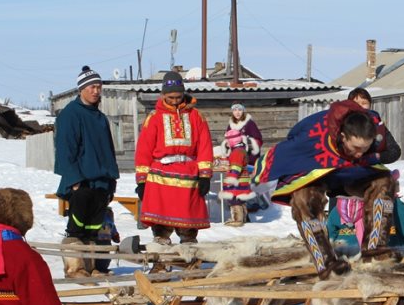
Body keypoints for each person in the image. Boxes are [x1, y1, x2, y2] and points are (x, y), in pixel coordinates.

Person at [252, 99, 401, 278]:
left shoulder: (375, 127)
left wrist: (368, 158)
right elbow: (276, 157)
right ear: (343, 136)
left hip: (353, 173)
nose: (360, 153)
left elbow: (393, 152)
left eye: (365, 148)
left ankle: (375, 250)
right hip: (317, 173)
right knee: (303, 199)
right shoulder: (310, 137)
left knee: (384, 182)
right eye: (356, 148)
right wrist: (255, 181)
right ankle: (326, 262)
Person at [54, 66, 120, 278]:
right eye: (92, 87)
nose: (96, 91)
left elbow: (108, 150)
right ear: (82, 89)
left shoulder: (100, 118)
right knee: (77, 227)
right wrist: (75, 181)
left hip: (101, 182)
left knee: (95, 227)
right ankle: (75, 268)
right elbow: (65, 149)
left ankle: (94, 268)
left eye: (99, 87)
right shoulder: (70, 115)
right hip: (81, 182)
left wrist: (111, 180)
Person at [135, 71, 213, 245]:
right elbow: (144, 150)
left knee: (188, 226)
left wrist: (205, 176)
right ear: (163, 95)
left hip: (188, 176)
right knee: (161, 226)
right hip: (160, 178)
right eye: (170, 97)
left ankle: (189, 263)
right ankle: (161, 262)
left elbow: (205, 147)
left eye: (178, 97)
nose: (174, 101)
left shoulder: (196, 116)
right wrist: (141, 181)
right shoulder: (154, 118)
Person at [217, 102, 264, 226]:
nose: (237, 112)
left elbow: (258, 139)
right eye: (235, 110)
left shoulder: (249, 123)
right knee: (241, 190)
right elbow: (228, 138)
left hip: (246, 157)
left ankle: (242, 216)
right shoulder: (231, 124)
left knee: (240, 189)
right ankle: (244, 216)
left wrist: (247, 144)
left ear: (243, 111)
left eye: (239, 110)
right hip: (236, 156)